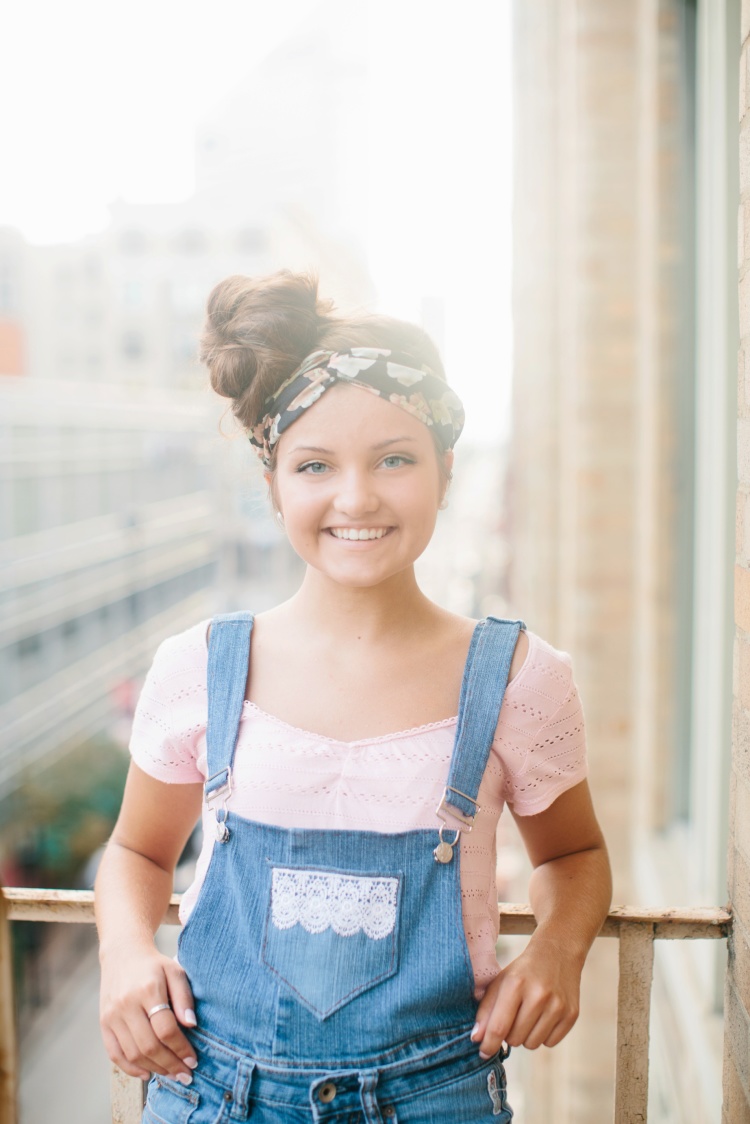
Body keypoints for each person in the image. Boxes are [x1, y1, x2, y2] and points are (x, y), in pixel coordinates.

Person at [95, 270, 612, 1123]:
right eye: (315, 465)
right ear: (274, 487)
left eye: (395, 459)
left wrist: (559, 950)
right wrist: (122, 954)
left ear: (446, 471)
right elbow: (139, 854)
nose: (356, 497)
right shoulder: (202, 668)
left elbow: (573, 856)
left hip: (437, 1096)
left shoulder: (520, 677)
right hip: (211, 1092)